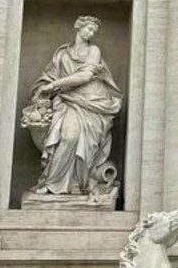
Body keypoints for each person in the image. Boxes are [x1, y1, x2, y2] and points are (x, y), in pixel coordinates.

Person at [23, 15, 122, 199]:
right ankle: (52, 183)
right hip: (67, 100)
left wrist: (54, 85)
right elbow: (49, 76)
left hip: (92, 103)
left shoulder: (94, 50)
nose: (91, 33)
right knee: (69, 137)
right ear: (78, 27)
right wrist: (44, 89)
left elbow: (85, 76)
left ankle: (77, 185)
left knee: (76, 140)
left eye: (94, 31)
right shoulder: (62, 53)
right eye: (89, 29)